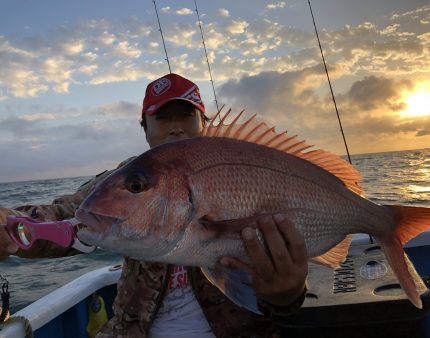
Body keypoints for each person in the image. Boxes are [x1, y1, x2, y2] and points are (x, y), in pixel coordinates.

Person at [0, 73, 308, 337]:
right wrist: (10, 223)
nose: (175, 127)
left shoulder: (240, 169)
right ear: (144, 128)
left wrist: (287, 295)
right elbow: (67, 216)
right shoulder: (125, 179)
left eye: (186, 116)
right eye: (162, 118)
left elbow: (282, 296)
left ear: (204, 122)